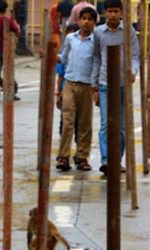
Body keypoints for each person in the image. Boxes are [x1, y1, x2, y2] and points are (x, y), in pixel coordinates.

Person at [91, 0, 140, 174]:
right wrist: (94, 87)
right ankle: (106, 160)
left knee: (121, 126)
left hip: (122, 85)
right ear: (105, 13)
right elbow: (96, 58)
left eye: (116, 11)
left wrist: (132, 72)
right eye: (109, 11)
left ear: (121, 13)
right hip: (105, 84)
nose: (112, 14)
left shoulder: (129, 32)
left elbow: (135, 56)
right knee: (105, 124)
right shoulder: (98, 33)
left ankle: (117, 159)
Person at [57, 7, 96, 172]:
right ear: (78, 21)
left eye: (89, 19)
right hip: (70, 84)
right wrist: (51, 55)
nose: (86, 21)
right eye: (83, 18)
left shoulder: (96, 41)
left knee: (85, 123)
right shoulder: (70, 38)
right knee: (67, 122)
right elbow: (63, 59)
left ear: (94, 22)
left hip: (87, 85)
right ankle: (63, 156)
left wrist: (96, 88)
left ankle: (82, 156)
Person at [0, 1, 21, 100]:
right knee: (9, 72)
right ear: (5, 9)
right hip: (7, 50)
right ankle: (11, 92)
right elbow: (18, 32)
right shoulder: (8, 21)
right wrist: (14, 20)